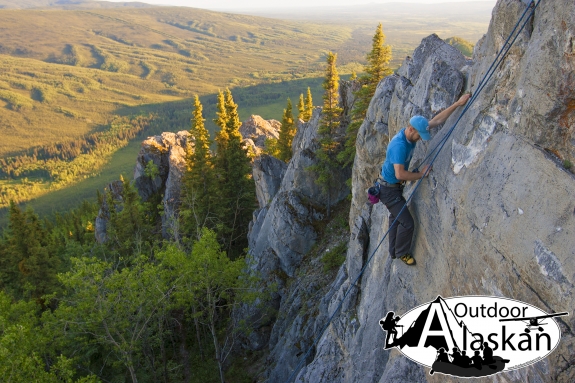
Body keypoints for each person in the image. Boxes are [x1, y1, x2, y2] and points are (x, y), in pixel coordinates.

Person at [379, 93, 471, 265]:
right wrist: (420, 174)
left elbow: (436, 121)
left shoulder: (414, 130)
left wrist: (458, 103)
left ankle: (392, 251)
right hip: (389, 190)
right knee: (407, 223)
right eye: (419, 135)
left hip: (392, 187)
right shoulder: (399, 145)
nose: (421, 138)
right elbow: (400, 175)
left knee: (395, 217)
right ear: (411, 129)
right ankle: (401, 253)